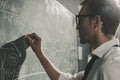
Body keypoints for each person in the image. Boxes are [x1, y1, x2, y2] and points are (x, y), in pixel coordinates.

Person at [26, 0, 120, 80]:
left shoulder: (112, 67)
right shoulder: (98, 60)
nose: (77, 27)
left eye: (80, 20)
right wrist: (39, 52)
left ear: (95, 21)